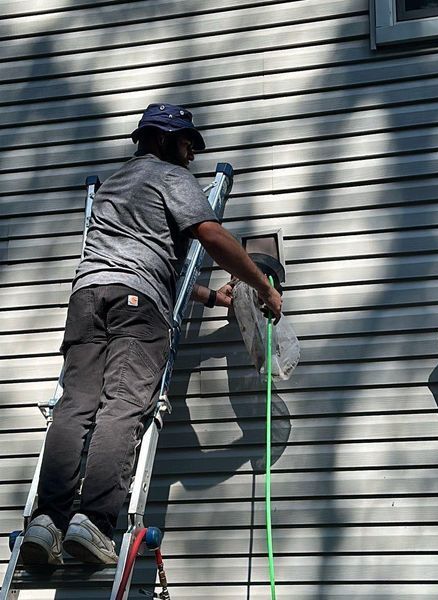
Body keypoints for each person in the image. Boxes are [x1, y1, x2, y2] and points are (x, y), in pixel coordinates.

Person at [20, 103, 282, 566]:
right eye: (186, 144)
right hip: (137, 310)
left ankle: (46, 521)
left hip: (87, 298)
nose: (191, 156)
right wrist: (262, 286)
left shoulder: (116, 185)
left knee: (76, 404)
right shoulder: (171, 176)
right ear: (161, 140)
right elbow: (211, 236)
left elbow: (146, 257)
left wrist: (211, 298)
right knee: (123, 404)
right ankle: (95, 523)